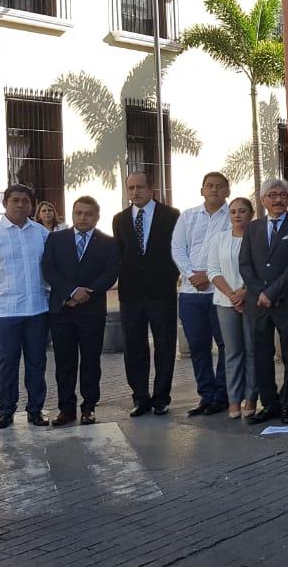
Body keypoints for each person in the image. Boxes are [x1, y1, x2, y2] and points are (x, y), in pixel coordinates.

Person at [0, 184, 51, 430]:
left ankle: (35, 410)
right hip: (6, 311)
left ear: (31, 204)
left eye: (25, 200)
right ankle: (6, 411)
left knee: (37, 361)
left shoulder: (41, 234)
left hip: (37, 308)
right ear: (5, 203)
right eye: (15, 200)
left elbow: (50, 267)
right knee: (7, 362)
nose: (20, 205)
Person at [41, 196, 118, 427]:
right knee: (65, 361)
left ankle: (88, 407)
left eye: (88, 214)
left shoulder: (108, 242)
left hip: (91, 311)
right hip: (61, 310)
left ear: (97, 216)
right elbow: (49, 269)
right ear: (72, 214)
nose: (83, 217)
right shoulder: (56, 239)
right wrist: (71, 292)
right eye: (78, 213)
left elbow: (110, 273)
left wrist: (86, 293)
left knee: (91, 361)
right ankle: (66, 409)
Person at [241, 178, 288, 425]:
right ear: (263, 200)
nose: (278, 199)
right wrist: (261, 292)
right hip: (258, 304)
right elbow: (245, 264)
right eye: (272, 195)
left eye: (282, 195)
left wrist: (272, 292)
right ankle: (269, 404)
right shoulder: (253, 228)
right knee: (261, 354)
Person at [112, 172, 181, 417]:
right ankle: (140, 397)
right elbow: (120, 255)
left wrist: (170, 277)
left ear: (152, 188)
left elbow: (177, 251)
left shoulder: (171, 216)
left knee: (164, 344)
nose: (135, 192)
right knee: (134, 346)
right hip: (131, 294)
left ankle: (161, 397)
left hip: (161, 292)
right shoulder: (119, 219)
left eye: (140, 187)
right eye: (130, 188)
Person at [171, 172, 232, 416]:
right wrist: (191, 275)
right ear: (202, 190)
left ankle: (222, 394)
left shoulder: (233, 217)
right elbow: (177, 248)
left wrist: (208, 275)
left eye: (219, 186)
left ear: (227, 191)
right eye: (209, 186)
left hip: (220, 292)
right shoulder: (188, 216)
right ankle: (205, 396)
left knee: (225, 345)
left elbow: (232, 251)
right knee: (197, 346)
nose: (214, 190)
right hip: (190, 292)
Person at [207, 197, 257, 420]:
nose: (237, 215)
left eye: (242, 211)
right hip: (226, 302)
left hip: (252, 300)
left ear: (251, 213)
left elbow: (262, 270)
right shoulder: (219, 239)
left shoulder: (257, 238)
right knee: (232, 351)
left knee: (252, 350)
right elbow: (213, 270)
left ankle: (252, 397)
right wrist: (232, 295)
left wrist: (245, 292)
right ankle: (234, 399)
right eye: (233, 211)